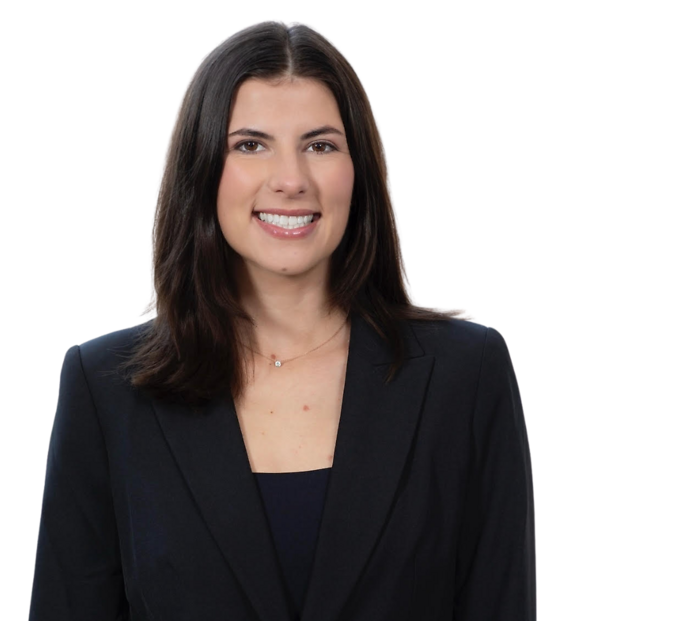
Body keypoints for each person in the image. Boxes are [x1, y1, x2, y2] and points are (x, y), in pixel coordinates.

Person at [28, 19, 536, 621]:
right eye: (250, 144)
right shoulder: (104, 385)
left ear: (360, 172)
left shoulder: (466, 374)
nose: (291, 180)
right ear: (204, 171)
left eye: (320, 144)